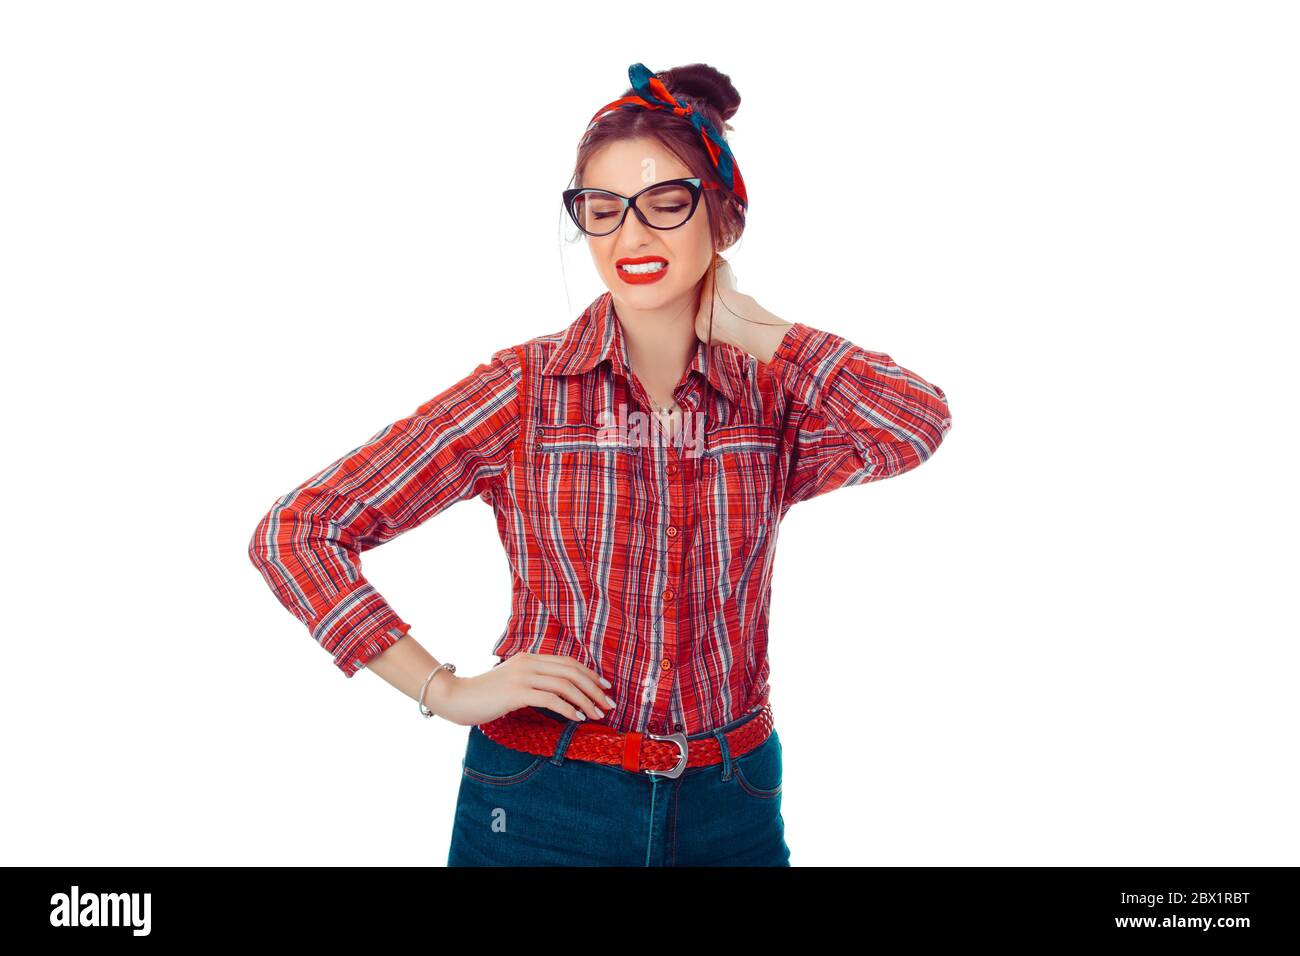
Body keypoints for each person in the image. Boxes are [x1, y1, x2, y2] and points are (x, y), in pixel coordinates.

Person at [247, 62, 954, 867]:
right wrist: (445, 691)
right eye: (603, 211)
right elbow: (298, 532)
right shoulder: (523, 390)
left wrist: (764, 333)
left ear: (722, 219)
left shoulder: (771, 400)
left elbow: (914, 423)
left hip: (733, 802)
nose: (631, 237)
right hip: (544, 800)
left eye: (665, 205)